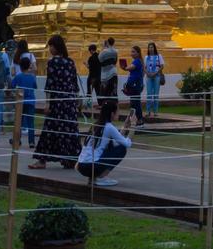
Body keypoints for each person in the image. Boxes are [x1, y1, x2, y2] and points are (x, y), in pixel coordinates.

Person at [31, 34, 83, 169]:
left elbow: (50, 84)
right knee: (69, 129)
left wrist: (48, 103)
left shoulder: (52, 62)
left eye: (51, 46)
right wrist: (76, 100)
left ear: (56, 47)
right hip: (69, 100)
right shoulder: (70, 62)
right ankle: (71, 158)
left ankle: (42, 160)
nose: (50, 49)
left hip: (58, 101)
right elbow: (74, 82)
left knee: (50, 129)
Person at [76, 98, 135, 186]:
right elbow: (127, 144)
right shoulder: (109, 127)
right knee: (122, 149)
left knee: (111, 145)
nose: (119, 113)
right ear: (112, 114)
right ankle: (100, 177)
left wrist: (125, 126)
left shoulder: (96, 125)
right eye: (117, 111)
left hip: (81, 166)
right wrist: (133, 125)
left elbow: (116, 140)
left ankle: (93, 178)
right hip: (92, 167)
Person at [12, 55, 38, 146]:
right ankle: (31, 141)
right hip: (31, 102)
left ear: (20, 66)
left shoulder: (18, 77)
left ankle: (16, 139)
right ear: (29, 66)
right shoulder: (32, 77)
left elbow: (12, 85)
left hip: (20, 101)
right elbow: (35, 86)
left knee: (19, 121)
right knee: (31, 122)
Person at [123, 45, 146, 125]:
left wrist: (125, 68)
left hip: (135, 86)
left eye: (133, 52)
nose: (131, 53)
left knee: (135, 103)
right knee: (134, 103)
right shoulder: (138, 61)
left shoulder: (137, 61)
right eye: (131, 51)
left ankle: (140, 121)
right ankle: (135, 120)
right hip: (135, 85)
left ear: (138, 53)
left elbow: (131, 67)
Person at [144, 42, 165, 117]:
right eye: (149, 47)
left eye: (152, 47)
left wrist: (155, 73)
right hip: (149, 76)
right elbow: (144, 67)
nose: (151, 49)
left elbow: (162, 66)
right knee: (149, 94)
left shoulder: (159, 56)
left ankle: (155, 111)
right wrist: (148, 73)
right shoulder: (146, 57)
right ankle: (148, 111)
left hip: (157, 76)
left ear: (154, 48)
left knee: (156, 94)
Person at [97, 37, 119, 103]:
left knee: (105, 92)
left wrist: (103, 48)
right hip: (114, 72)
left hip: (106, 74)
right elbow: (115, 61)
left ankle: (105, 106)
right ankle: (114, 107)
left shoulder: (104, 51)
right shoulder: (115, 51)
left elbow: (99, 60)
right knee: (113, 91)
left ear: (107, 43)